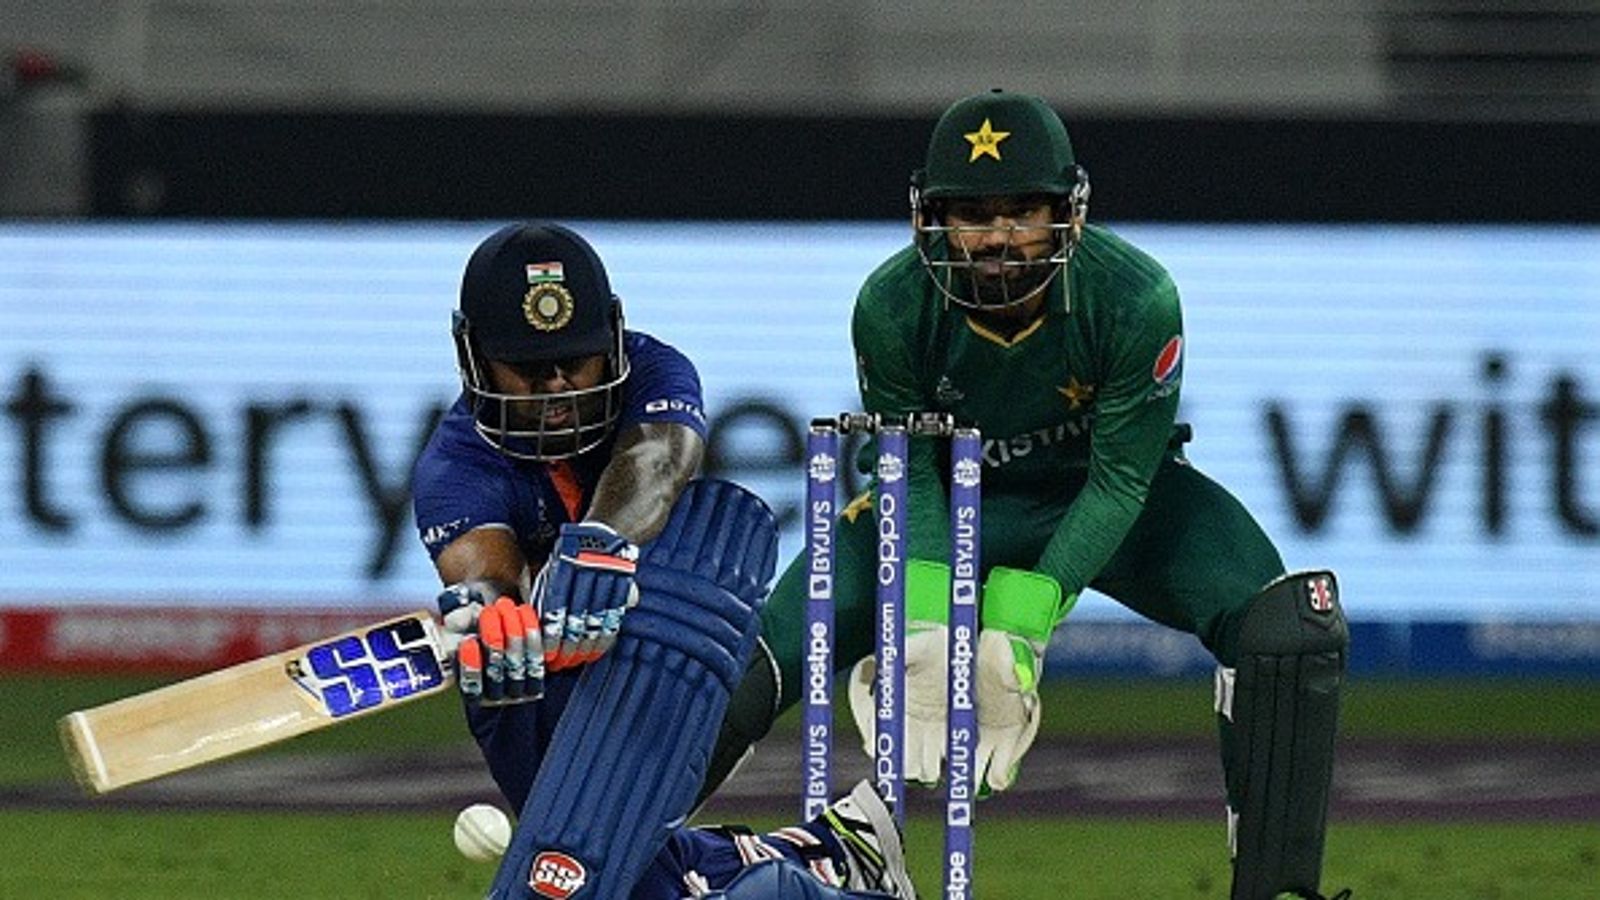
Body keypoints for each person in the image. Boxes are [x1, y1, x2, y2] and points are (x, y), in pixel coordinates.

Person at [701, 92, 1352, 900]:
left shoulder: (1134, 297)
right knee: (744, 662)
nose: (999, 237)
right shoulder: (892, 304)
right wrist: (927, 615)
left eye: (1022, 213)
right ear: (933, 219)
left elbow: (1122, 478)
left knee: (1288, 627)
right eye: (973, 215)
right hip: (943, 506)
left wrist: (1021, 621)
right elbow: (912, 471)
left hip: (1104, 507)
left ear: (1067, 214)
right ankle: (616, 861)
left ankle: (1278, 891)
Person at [411, 221, 916, 899]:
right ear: (475, 359)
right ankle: (819, 856)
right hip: (560, 676)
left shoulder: (655, 371)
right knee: (527, 739)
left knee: (588, 859)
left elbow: (658, 458)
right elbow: (486, 576)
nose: (558, 387)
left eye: (578, 360)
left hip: (682, 641)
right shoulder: (453, 467)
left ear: (613, 339)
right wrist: (496, 618)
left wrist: (600, 545)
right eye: (529, 369)